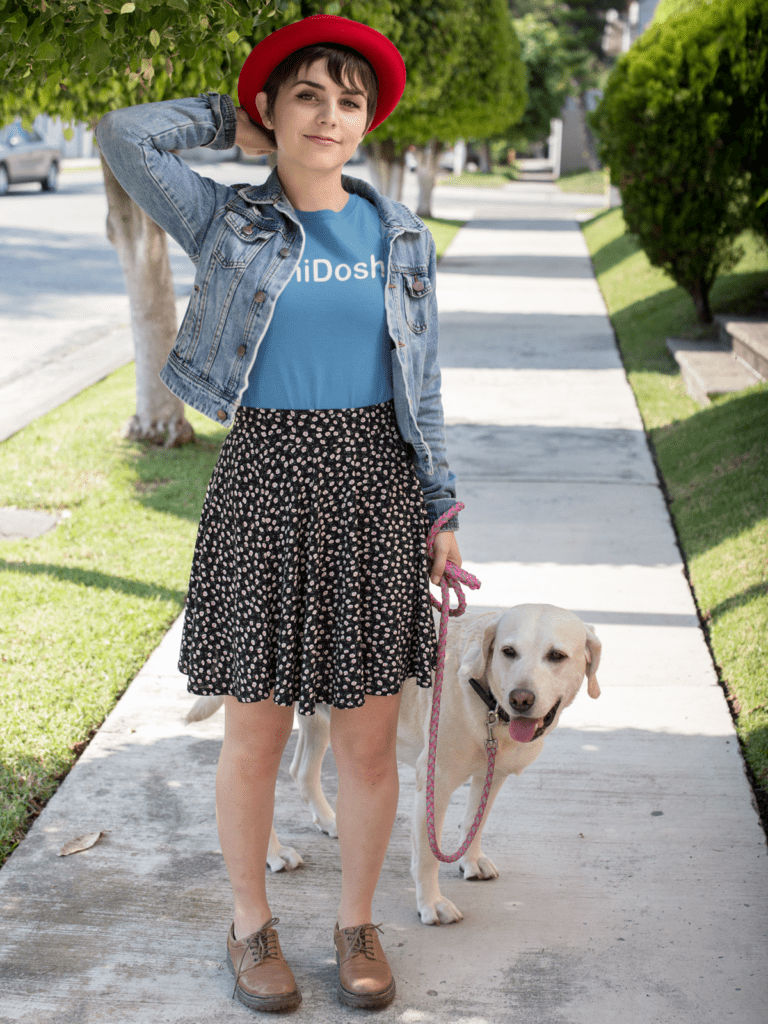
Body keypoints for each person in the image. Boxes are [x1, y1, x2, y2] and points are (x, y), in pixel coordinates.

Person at [97, 14, 460, 1014]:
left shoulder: (400, 236)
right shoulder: (229, 222)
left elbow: (424, 386)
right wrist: (235, 124)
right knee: (254, 733)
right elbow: (126, 135)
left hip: (376, 489)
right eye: (308, 95)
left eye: (349, 100)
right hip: (264, 478)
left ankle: (356, 924)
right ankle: (250, 923)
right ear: (272, 108)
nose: (330, 116)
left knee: (368, 743)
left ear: (368, 120)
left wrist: (441, 507)